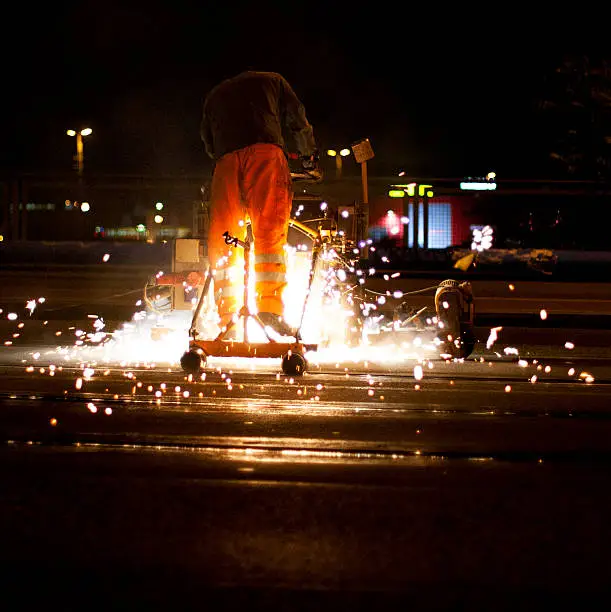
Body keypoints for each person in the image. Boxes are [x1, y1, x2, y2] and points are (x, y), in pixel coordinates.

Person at [201, 70, 317, 338]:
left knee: (226, 238)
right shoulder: (274, 81)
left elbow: (207, 141)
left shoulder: (215, 94)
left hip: (225, 161)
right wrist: (310, 157)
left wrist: (229, 154)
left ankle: (227, 318)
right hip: (265, 154)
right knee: (268, 233)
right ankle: (269, 309)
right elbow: (297, 119)